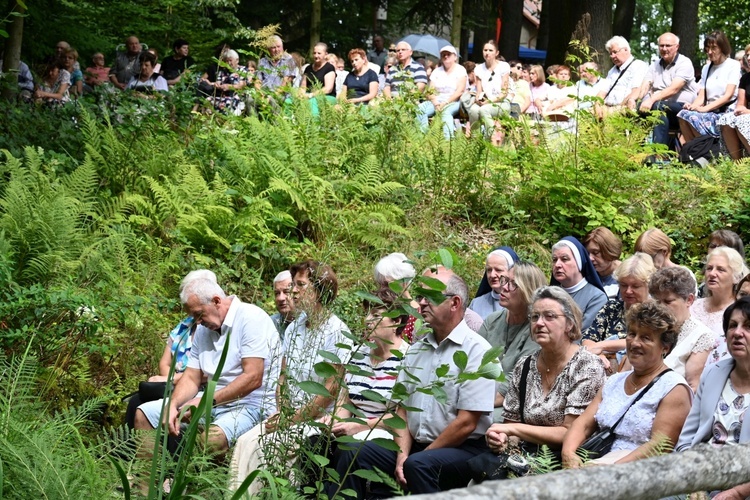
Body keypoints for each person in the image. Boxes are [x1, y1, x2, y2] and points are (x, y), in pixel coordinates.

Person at [326, 266, 495, 497]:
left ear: (455, 303)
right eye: (419, 297)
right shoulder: (416, 350)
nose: (422, 303)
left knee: (419, 465)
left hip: (463, 448)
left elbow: (466, 423)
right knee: (356, 451)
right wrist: (401, 455)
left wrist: (414, 458)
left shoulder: (478, 350)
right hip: (416, 445)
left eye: (430, 297)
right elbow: (402, 411)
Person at [230, 260, 351, 495]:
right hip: (287, 415)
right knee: (245, 442)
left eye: (301, 285)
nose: (293, 291)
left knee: (270, 447)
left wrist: (293, 419)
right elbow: (283, 376)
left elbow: (329, 392)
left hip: (317, 420)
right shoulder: (295, 328)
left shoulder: (338, 333)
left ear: (320, 289)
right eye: (294, 284)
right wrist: (283, 410)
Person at [133, 275, 281, 455]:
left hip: (251, 405)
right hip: (213, 403)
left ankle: (202, 482)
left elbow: (253, 378)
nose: (197, 322)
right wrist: (173, 404)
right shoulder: (203, 330)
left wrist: (205, 402)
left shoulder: (251, 318)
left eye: (198, 314)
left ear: (217, 301)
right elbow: (191, 377)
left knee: (211, 439)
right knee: (144, 414)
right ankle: (148, 482)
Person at [562, 301, 691, 466]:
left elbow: (659, 446)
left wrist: (610, 469)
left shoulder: (674, 388)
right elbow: (583, 424)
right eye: (632, 334)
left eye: (646, 338)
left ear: (665, 347)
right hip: (596, 464)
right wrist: (569, 453)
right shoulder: (615, 381)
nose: (635, 343)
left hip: (640, 472)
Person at [486, 286, 606, 458]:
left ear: (569, 324)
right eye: (535, 317)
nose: (539, 323)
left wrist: (513, 429)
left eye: (549, 316)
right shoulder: (524, 366)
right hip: (524, 456)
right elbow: (510, 425)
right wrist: (501, 439)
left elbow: (571, 432)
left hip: (568, 460)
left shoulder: (586, 366)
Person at [319, 287, 409, 492]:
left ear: (396, 321)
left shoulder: (408, 359)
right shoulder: (359, 354)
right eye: (367, 313)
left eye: (376, 315)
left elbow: (401, 418)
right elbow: (347, 400)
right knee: (315, 440)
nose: (368, 320)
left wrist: (359, 426)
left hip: (384, 433)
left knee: (349, 450)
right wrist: (336, 420)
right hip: (354, 427)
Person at [675, 297, 750, 499]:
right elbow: (687, 439)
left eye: (748, 327)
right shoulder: (713, 373)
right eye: (732, 326)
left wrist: (736, 493)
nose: (737, 332)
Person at [477, 261, 547, 421]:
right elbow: (473, 362)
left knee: (481, 420)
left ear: (528, 290)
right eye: (504, 280)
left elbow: (515, 381)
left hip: (516, 401)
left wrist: (474, 404)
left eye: (513, 284)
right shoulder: (492, 321)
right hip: (480, 394)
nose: (504, 288)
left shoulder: (537, 328)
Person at [583, 253, 656, 374]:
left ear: (648, 285)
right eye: (623, 285)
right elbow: (588, 340)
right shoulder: (611, 308)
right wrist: (599, 355)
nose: (628, 291)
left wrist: (602, 346)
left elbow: (643, 343)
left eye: (635, 286)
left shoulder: (655, 313)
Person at [650, 267, 715, 391]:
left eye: (668, 301)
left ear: (689, 300)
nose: (661, 308)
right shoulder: (651, 328)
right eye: (657, 302)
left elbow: (693, 387)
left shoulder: (701, 336)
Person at [636, 33, 698, 149]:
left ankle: (659, 154)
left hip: (682, 109)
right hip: (659, 107)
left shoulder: (684, 63)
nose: (664, 49)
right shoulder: (654, 65)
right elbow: (645, 85)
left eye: (668, 45)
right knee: (636, 109)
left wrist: (651, 100)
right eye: (661, 46)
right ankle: (636, 154)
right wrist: (637, 101)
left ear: (677, 47)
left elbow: (674, 89)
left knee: (657, 106)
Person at [677, 31, 741, 145]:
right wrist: (693, 106)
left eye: (714, 48)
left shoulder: (733, 65)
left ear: (722, 47)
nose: (710, 52)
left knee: (694, 118)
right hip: (709, 110)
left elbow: (728, 95)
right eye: (707, 48)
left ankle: (706, 151)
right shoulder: (707, 68)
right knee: (683, 114)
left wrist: (704, 109)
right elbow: (702, 95)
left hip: (725, 111)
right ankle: (696, 151)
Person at [692, 247, 749, 364]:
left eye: (720, 269)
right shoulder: (693, 306)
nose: (712, 274)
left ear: (736, 277)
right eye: (709, 268)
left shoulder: (738, 313)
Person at [550, 236, 608, 331]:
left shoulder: (596, 298)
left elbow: (583, 336)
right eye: (554, 260)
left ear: (579, 262)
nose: (557, 265)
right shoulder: (548, 295)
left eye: (564, 259)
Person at [416, 45, 466, 138]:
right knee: (420, 109)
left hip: (453, 101)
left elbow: (460, 91)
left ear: (455, 57)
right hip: (436, 102)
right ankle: (423, 136)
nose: (446, 56)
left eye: (448, 54)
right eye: (443, 55)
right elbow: (430, 91)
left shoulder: (460, 70)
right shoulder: (437, 71)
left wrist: (445, 103)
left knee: (446, 112)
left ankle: (448, 140)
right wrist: (435, 102)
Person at [466, 40, 510, 137]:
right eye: (485, 50)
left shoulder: (504, 66)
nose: (487, 53)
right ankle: (475, 141)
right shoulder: (478, 69)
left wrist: (489, 101)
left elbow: (504, 93)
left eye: (490, 50)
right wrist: (478, 99)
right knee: (473, 110)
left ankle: (491, 139)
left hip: (501, 103)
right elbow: (479, 91)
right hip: (485, 101)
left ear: (496, 53)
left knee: (484, 110)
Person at [597, 36, 648, 115]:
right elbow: (602, 92)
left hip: (622, 109)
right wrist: (597, 105)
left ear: (626, 50)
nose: (612, 56)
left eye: (615, 52)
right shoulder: (612, 71)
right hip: (606, 108)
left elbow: (636, 92)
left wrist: (617, 109)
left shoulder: (639, 66)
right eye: (610, 53)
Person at [470, 246, 519, 319]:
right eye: (489, 270)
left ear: (512, 271)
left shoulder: (521, 303)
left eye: (498, 270)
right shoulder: (476, 304)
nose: (492, 275)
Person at [719, 66, 750, 159]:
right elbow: (740, 105)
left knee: (742, 120)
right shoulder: (746, 78)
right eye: (747, 55)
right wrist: (741, 110)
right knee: (725, 119)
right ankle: (737, 163)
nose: (748, 58)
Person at [583, 226, 623, 298]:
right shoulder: (585, 275)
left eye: (595, 253)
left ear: (609, 250)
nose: (590, 258)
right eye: (587, 253)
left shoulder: (626, 275)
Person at [205, 50, 247, 114]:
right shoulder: (222, 71)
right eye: (227, 61)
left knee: (228, 102)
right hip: (222, 95)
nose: (228, 63)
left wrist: (229, 87)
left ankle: (226, 120)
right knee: (207, 100)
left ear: (237, 60)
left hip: (236, 95)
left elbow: (241, 85)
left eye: (230, 60)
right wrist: (217, 85)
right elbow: (218, 82)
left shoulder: (243, 70)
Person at [270, 270, 294, 338]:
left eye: (286, 292)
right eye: (277, 293)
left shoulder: (309, 323)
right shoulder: (270, 323)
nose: (280, 298)